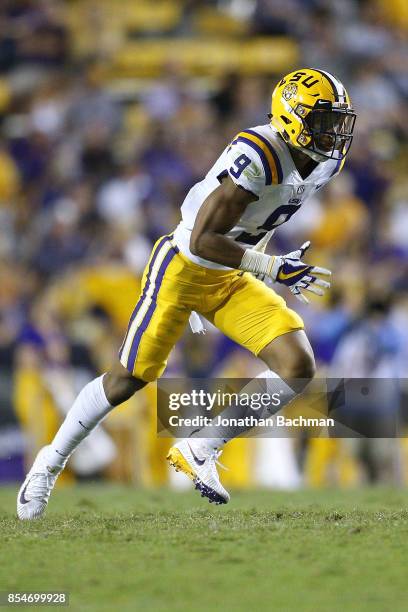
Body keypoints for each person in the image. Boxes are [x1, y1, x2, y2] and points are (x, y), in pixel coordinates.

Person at [17, 68, 356, 519]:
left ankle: (200, 450)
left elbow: (261, 219)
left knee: (297, 365)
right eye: (322, 121)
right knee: (126, 381)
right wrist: (273, 268)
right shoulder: (260, 155)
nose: (333, 133)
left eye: (337, 121)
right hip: (185, 267)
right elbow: (201, 240)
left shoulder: (325, 162)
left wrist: (265, 257)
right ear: (292, 118)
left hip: (232, 275)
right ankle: (48, 463)